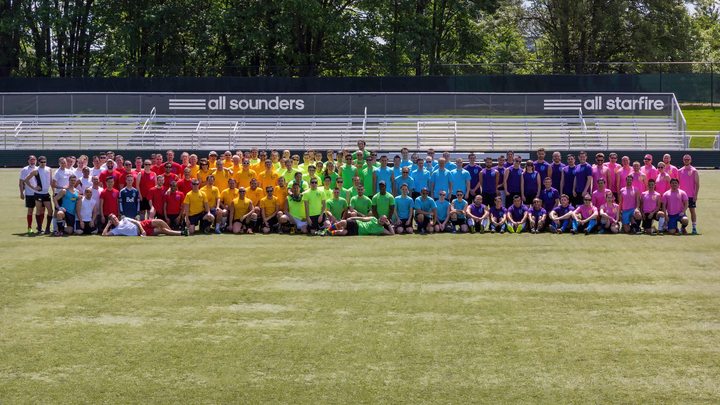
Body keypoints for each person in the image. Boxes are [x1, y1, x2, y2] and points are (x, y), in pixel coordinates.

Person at [102, 213, 182, 237]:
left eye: (115, 217)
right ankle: (181, 233)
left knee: (160, 221)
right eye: (113, 219)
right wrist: (108, 225)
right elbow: (104, 235)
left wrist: (143, 230)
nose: (115, 219)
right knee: (162, 230)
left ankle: (172, 231)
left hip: (142, 224)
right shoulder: (116, 230)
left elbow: (137, 222)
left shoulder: (124, 219)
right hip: (139, 232)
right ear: (111, 221)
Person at [678, 154, 700, 234]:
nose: (686, 161)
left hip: (691, 196)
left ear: (690, 160)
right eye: (685, 159)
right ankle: (683, 228)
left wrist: (695, 195)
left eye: (688, 159)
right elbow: (678, 184)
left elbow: (697, 184)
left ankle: (694, 228)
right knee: (683, 212)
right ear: (683, 160)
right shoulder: (680, 171)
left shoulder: (694, 170)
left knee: (692, 211)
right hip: (682, 196)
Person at [19, 155, 37, 234]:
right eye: (31, 160)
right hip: (29, 193)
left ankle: (39, 227)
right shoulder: (25, 169)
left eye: (34, 160)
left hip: (39, 193)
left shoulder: (38, 168)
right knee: (30, 210)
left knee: (40, 210)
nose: (32, 161)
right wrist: (21, 193)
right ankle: (29, 227)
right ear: (28, 161)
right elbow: (21, 182)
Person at [329, 216, 395, 236]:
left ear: (384, 223)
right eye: (381, 218)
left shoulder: (381, 229)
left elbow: (392, 233)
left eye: (384, 220)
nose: (381, 220)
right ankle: (328, 229)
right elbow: (362, 218)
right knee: (342, 222)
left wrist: (388, 224)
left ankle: (329, 233)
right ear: (379, 218)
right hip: (357, 223)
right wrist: (352, 218)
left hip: (357, 232)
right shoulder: (373, 219)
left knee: (342, 232)